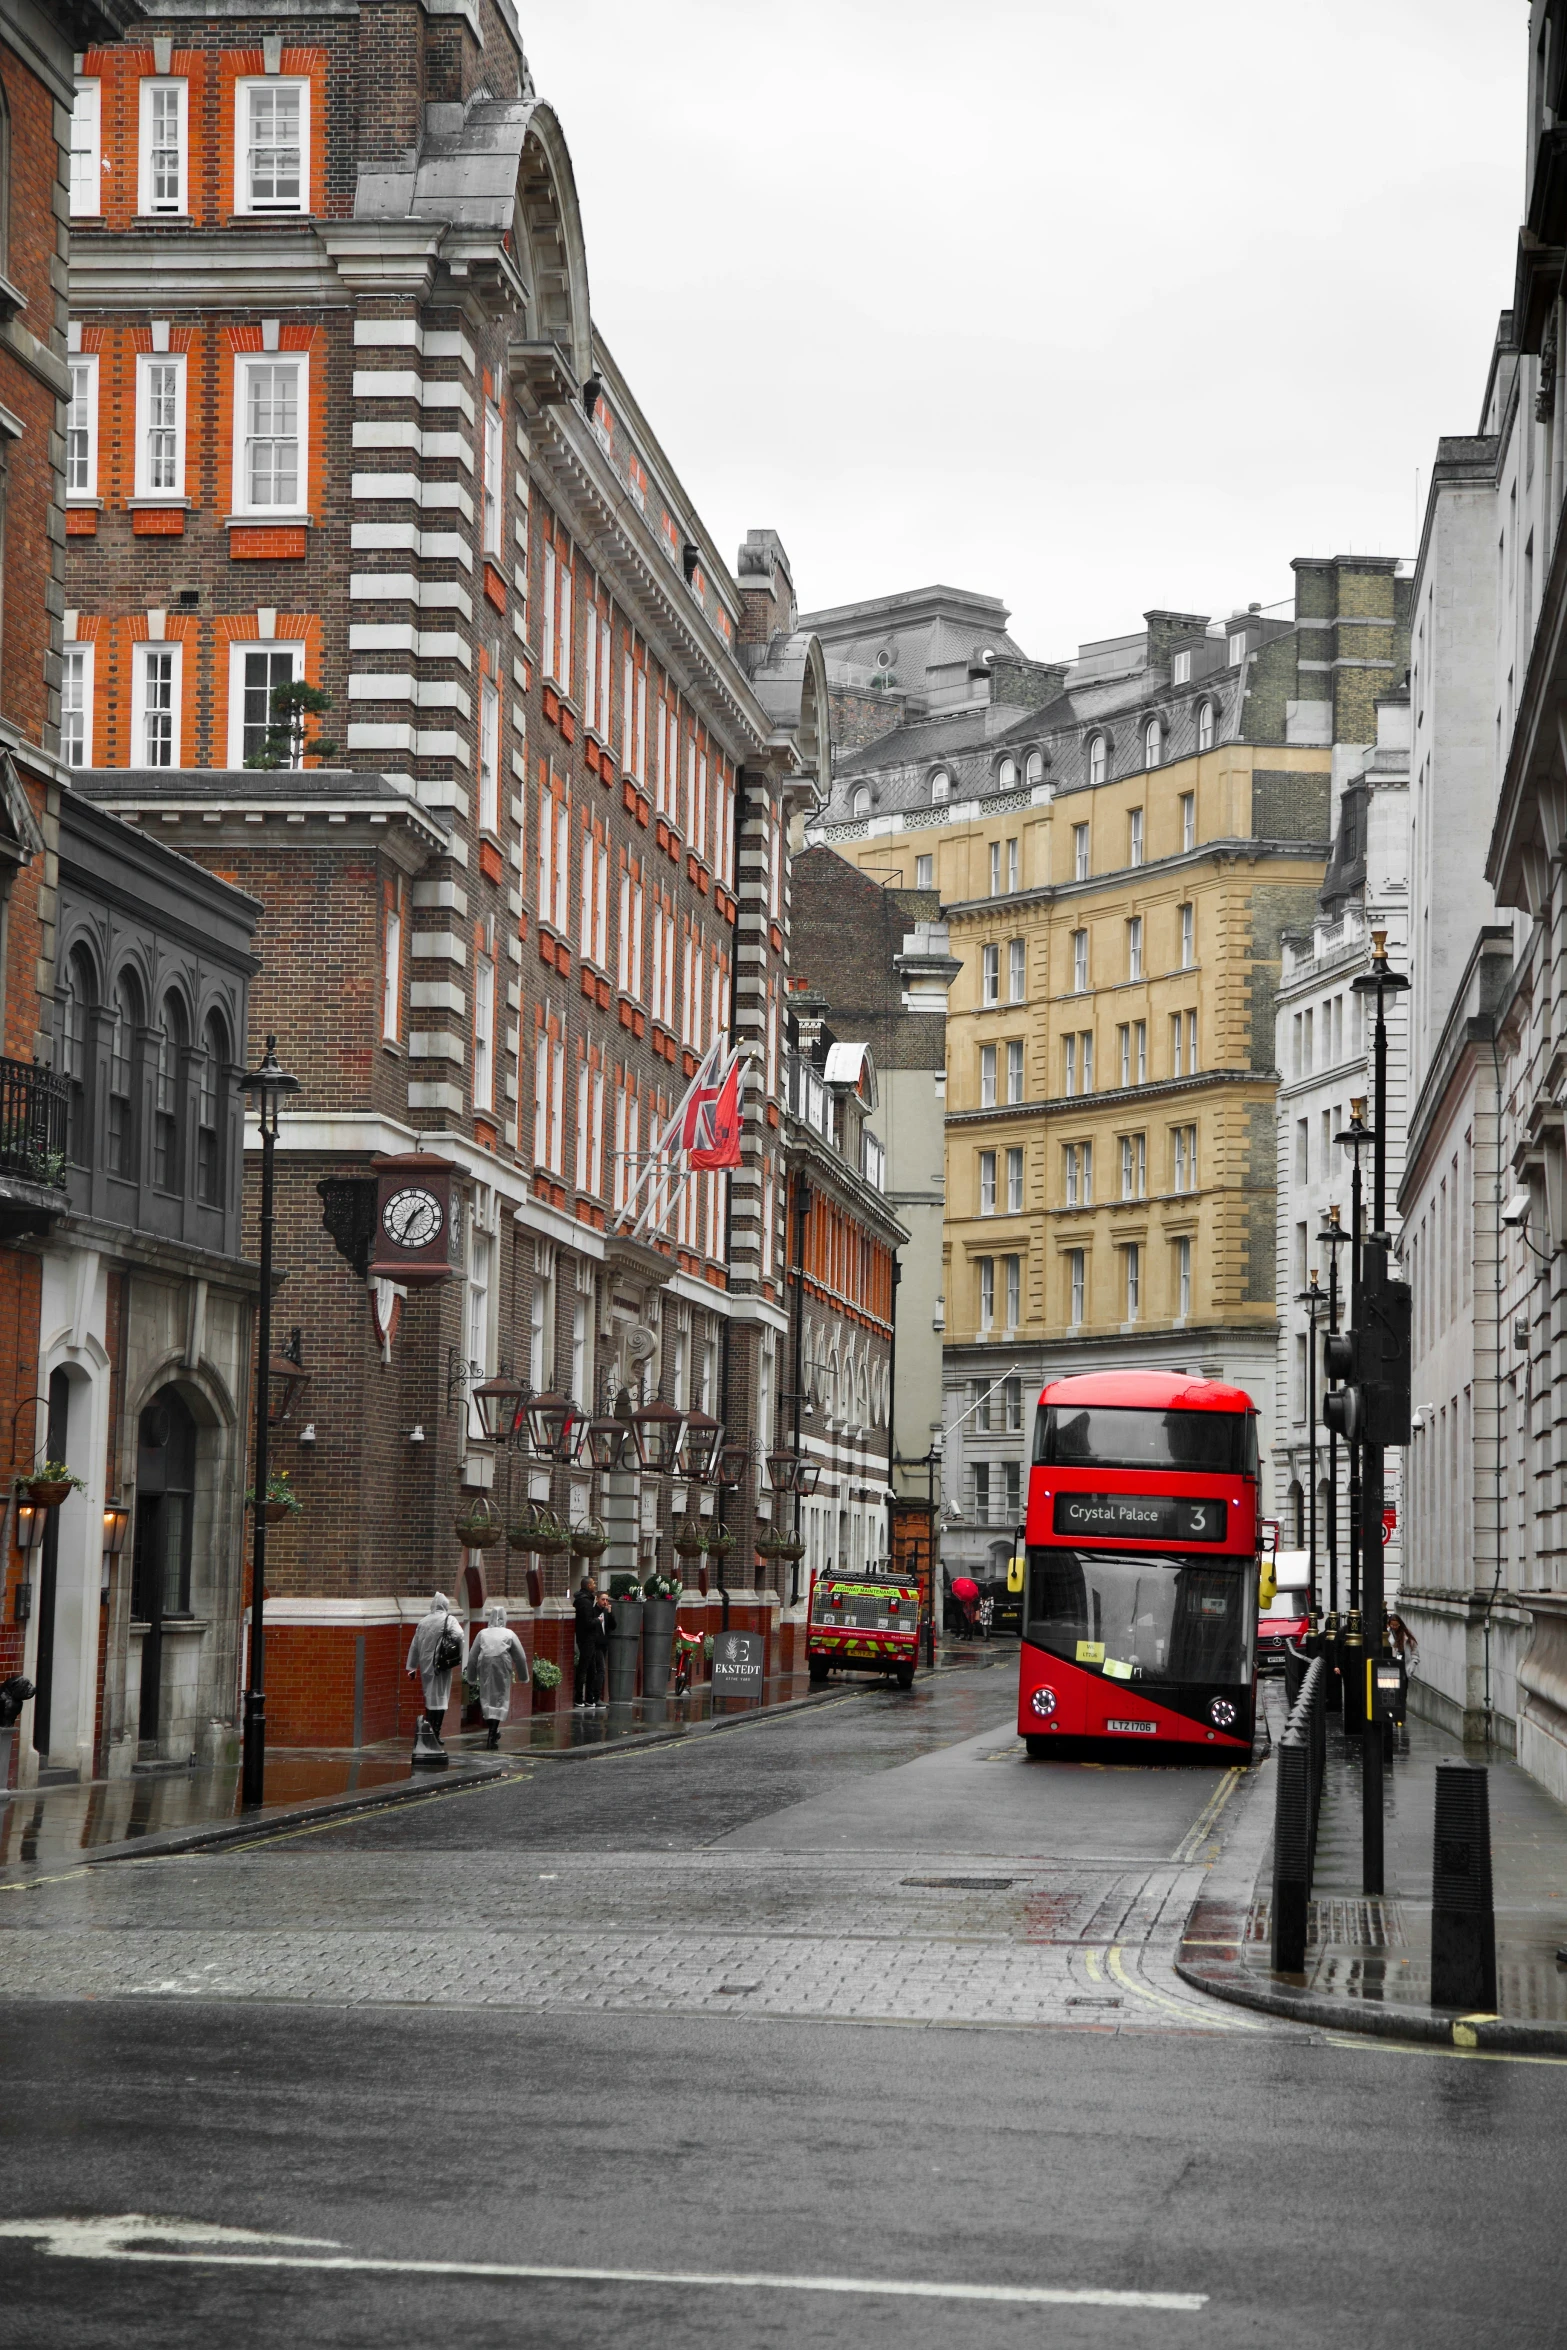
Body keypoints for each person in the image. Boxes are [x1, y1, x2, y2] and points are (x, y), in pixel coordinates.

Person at [405, 1590, 467, 1747]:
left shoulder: (423, 1622)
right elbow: (460, 1635)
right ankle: (435, 1732)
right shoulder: (449, 1619)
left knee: (430, 1697)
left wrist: (411, 1668)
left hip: (426, 1666)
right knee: (441, 1698)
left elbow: (415, 1646)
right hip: (441, 1665)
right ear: (445, 1605)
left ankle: (429, 1731)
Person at [466, 1602, 530, 1748]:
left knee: (487, 1696)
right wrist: (523, 1676)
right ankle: (492, 1732)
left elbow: (472, 1656)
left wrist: (471, 1677)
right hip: (502, 1666)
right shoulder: (509, 1634)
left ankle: (492, 1731)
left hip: (485, 1667)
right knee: (500, 1698)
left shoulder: (482, 1633)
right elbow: (520, 1657)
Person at [573, 1575, 605, 1710]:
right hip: (586, 1639)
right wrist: (598, 1620)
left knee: (592, 1669)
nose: (594, 1585)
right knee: (584, 1668)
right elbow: (587, 1622)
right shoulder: (585, 1602)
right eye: (592, 1583)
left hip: (589, 1639)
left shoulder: (586, 1600)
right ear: (587, 1586)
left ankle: (589, 1699)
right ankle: (579, 1698)